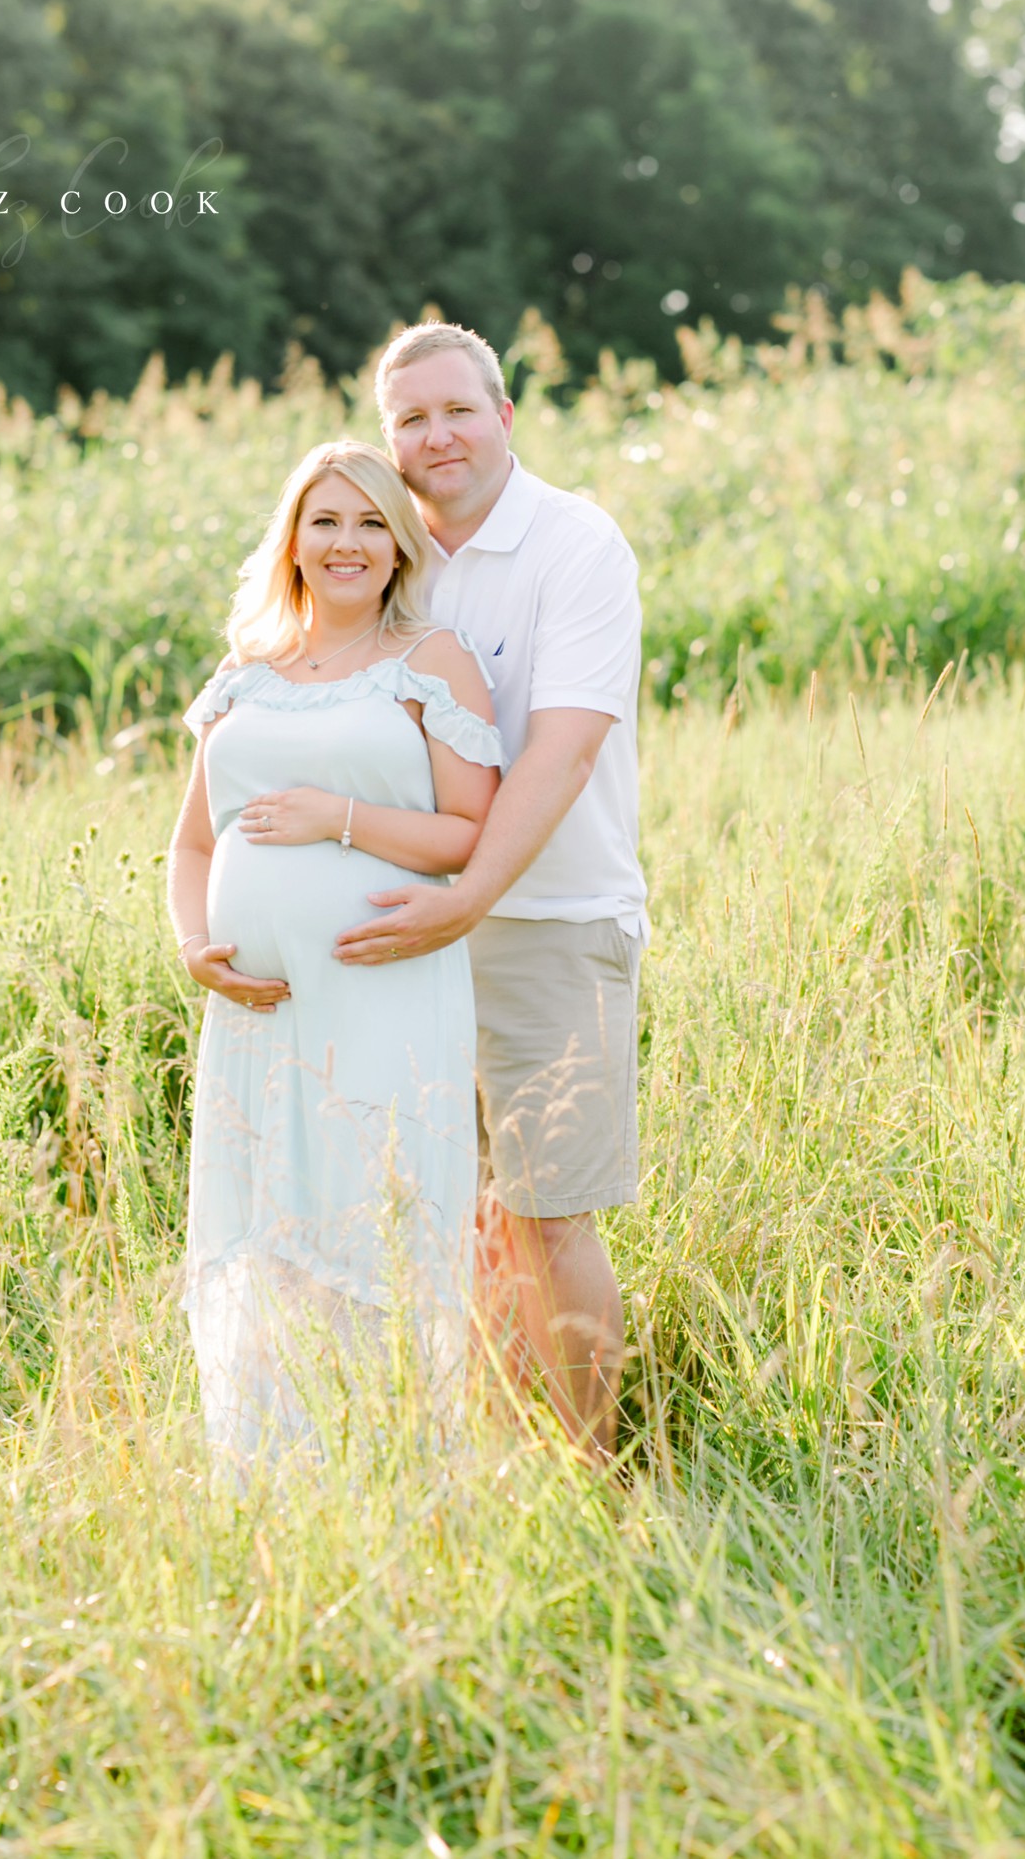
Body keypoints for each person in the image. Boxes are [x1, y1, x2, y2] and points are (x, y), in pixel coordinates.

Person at [334, 323, 648, 1465]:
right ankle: (496, 1460)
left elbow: (561, 751)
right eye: (409, 419)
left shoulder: (576, 544)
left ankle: (589, 1478)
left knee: (549, 1210)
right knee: (447, 1212)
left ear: (504, 416)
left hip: (550, 925)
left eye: (455, 409)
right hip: (410, 930)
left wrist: (466, 895)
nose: (436, 434)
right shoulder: (381, 552)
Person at [167, 439, 502, 1466]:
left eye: (370, 523)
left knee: (374, 1217)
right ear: (295, 541)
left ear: (400, 547)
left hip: (383, 986)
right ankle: (272, 1474)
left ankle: (394, 1463)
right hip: (258, 1010)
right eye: (326, 521)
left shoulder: (432, 661)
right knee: (267, 1230)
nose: (347, 542)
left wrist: (336, 817)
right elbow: (191, 842)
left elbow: (466, 832)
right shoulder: (245, 675)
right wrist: (195, 946)